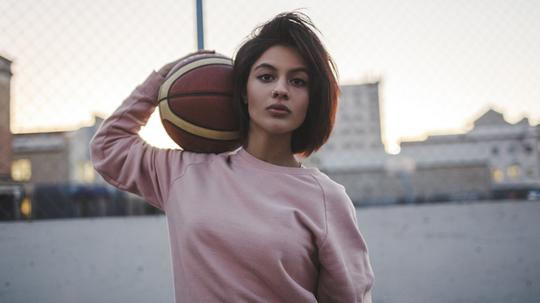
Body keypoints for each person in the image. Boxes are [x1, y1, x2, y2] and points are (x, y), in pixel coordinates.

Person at [90, 11, 374, 303]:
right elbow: (108, 146)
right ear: (242, 91)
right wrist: (161, 79)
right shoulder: (186, 172)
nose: (280, 90)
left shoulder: (326, 199)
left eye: (298, 82)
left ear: (311, 100)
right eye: (266, 76)